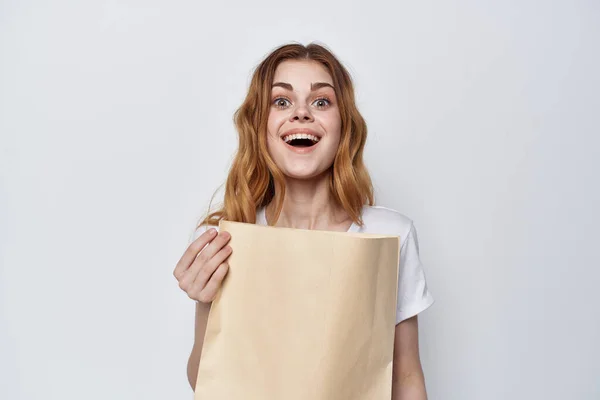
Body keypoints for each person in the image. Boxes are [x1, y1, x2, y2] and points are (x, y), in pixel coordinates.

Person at [172, 42, 435, 399]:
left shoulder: (389, 236)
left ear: (345, 126)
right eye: (281, 102)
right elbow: (206, 381)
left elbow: (406, 377)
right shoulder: (225, 239)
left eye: (321, 101)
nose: (301, 114)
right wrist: (205, 302)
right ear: (259, 126)